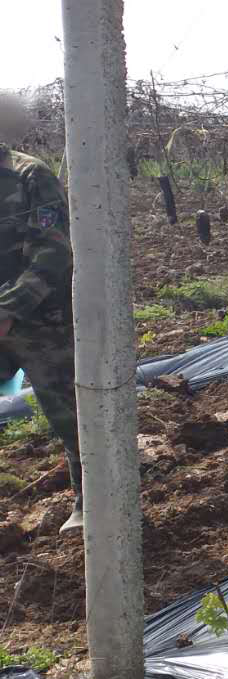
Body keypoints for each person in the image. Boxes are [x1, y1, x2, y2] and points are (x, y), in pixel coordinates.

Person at [0, 136, 82, 534]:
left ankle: (92, 501)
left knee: (69, 414)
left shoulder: (28, 174)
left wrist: (9, 309)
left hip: (39, 321)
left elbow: (53, 250)